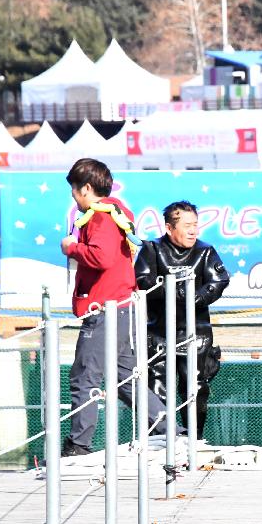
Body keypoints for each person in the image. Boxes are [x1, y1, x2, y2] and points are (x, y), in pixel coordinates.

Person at [60, 158, 176, 457]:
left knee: (84, 377)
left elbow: (102, 258)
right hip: (121, 307)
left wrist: (71, 247)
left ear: (86, 188)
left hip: (106, 311)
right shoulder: (114, 213)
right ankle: (172, 431)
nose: (73, 196)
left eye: (75, 190)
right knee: (125, 378)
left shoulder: (99, 218)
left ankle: (78, 445)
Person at [134, 201, 229, 439]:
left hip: (196, 332)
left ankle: (193, 440)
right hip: (158, 332)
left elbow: (219, 280)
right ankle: (159, 440)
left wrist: (195, 297)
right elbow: (142, 281)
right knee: (156, 388)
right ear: (169, 228)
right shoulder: (152, 249)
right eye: (187, 226)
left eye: (195, 225)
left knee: (196, 387)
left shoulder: (205, 251)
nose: (193, 231)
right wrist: (176, 290)